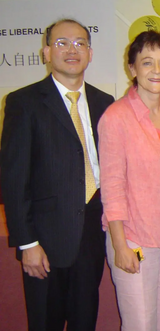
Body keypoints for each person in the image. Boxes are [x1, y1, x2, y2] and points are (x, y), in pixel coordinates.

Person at [0, 19, 114, 330]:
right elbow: (13, 179)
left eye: (79, 43)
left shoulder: (106, 103)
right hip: (45, 239)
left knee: (84, 320)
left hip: (92, 232)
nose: (71, 50)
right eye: (62, 43)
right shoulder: (24, 103)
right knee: (45, 322)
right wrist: (27, 243)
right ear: (46, 52)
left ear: (90, 53)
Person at [97, 31, 160, 331]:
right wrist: (120, 244)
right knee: (141, 322)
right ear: (132, 68)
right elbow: (111, 186)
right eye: (147, 62)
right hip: (135, 234)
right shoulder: (115, 117)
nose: (157, 70)